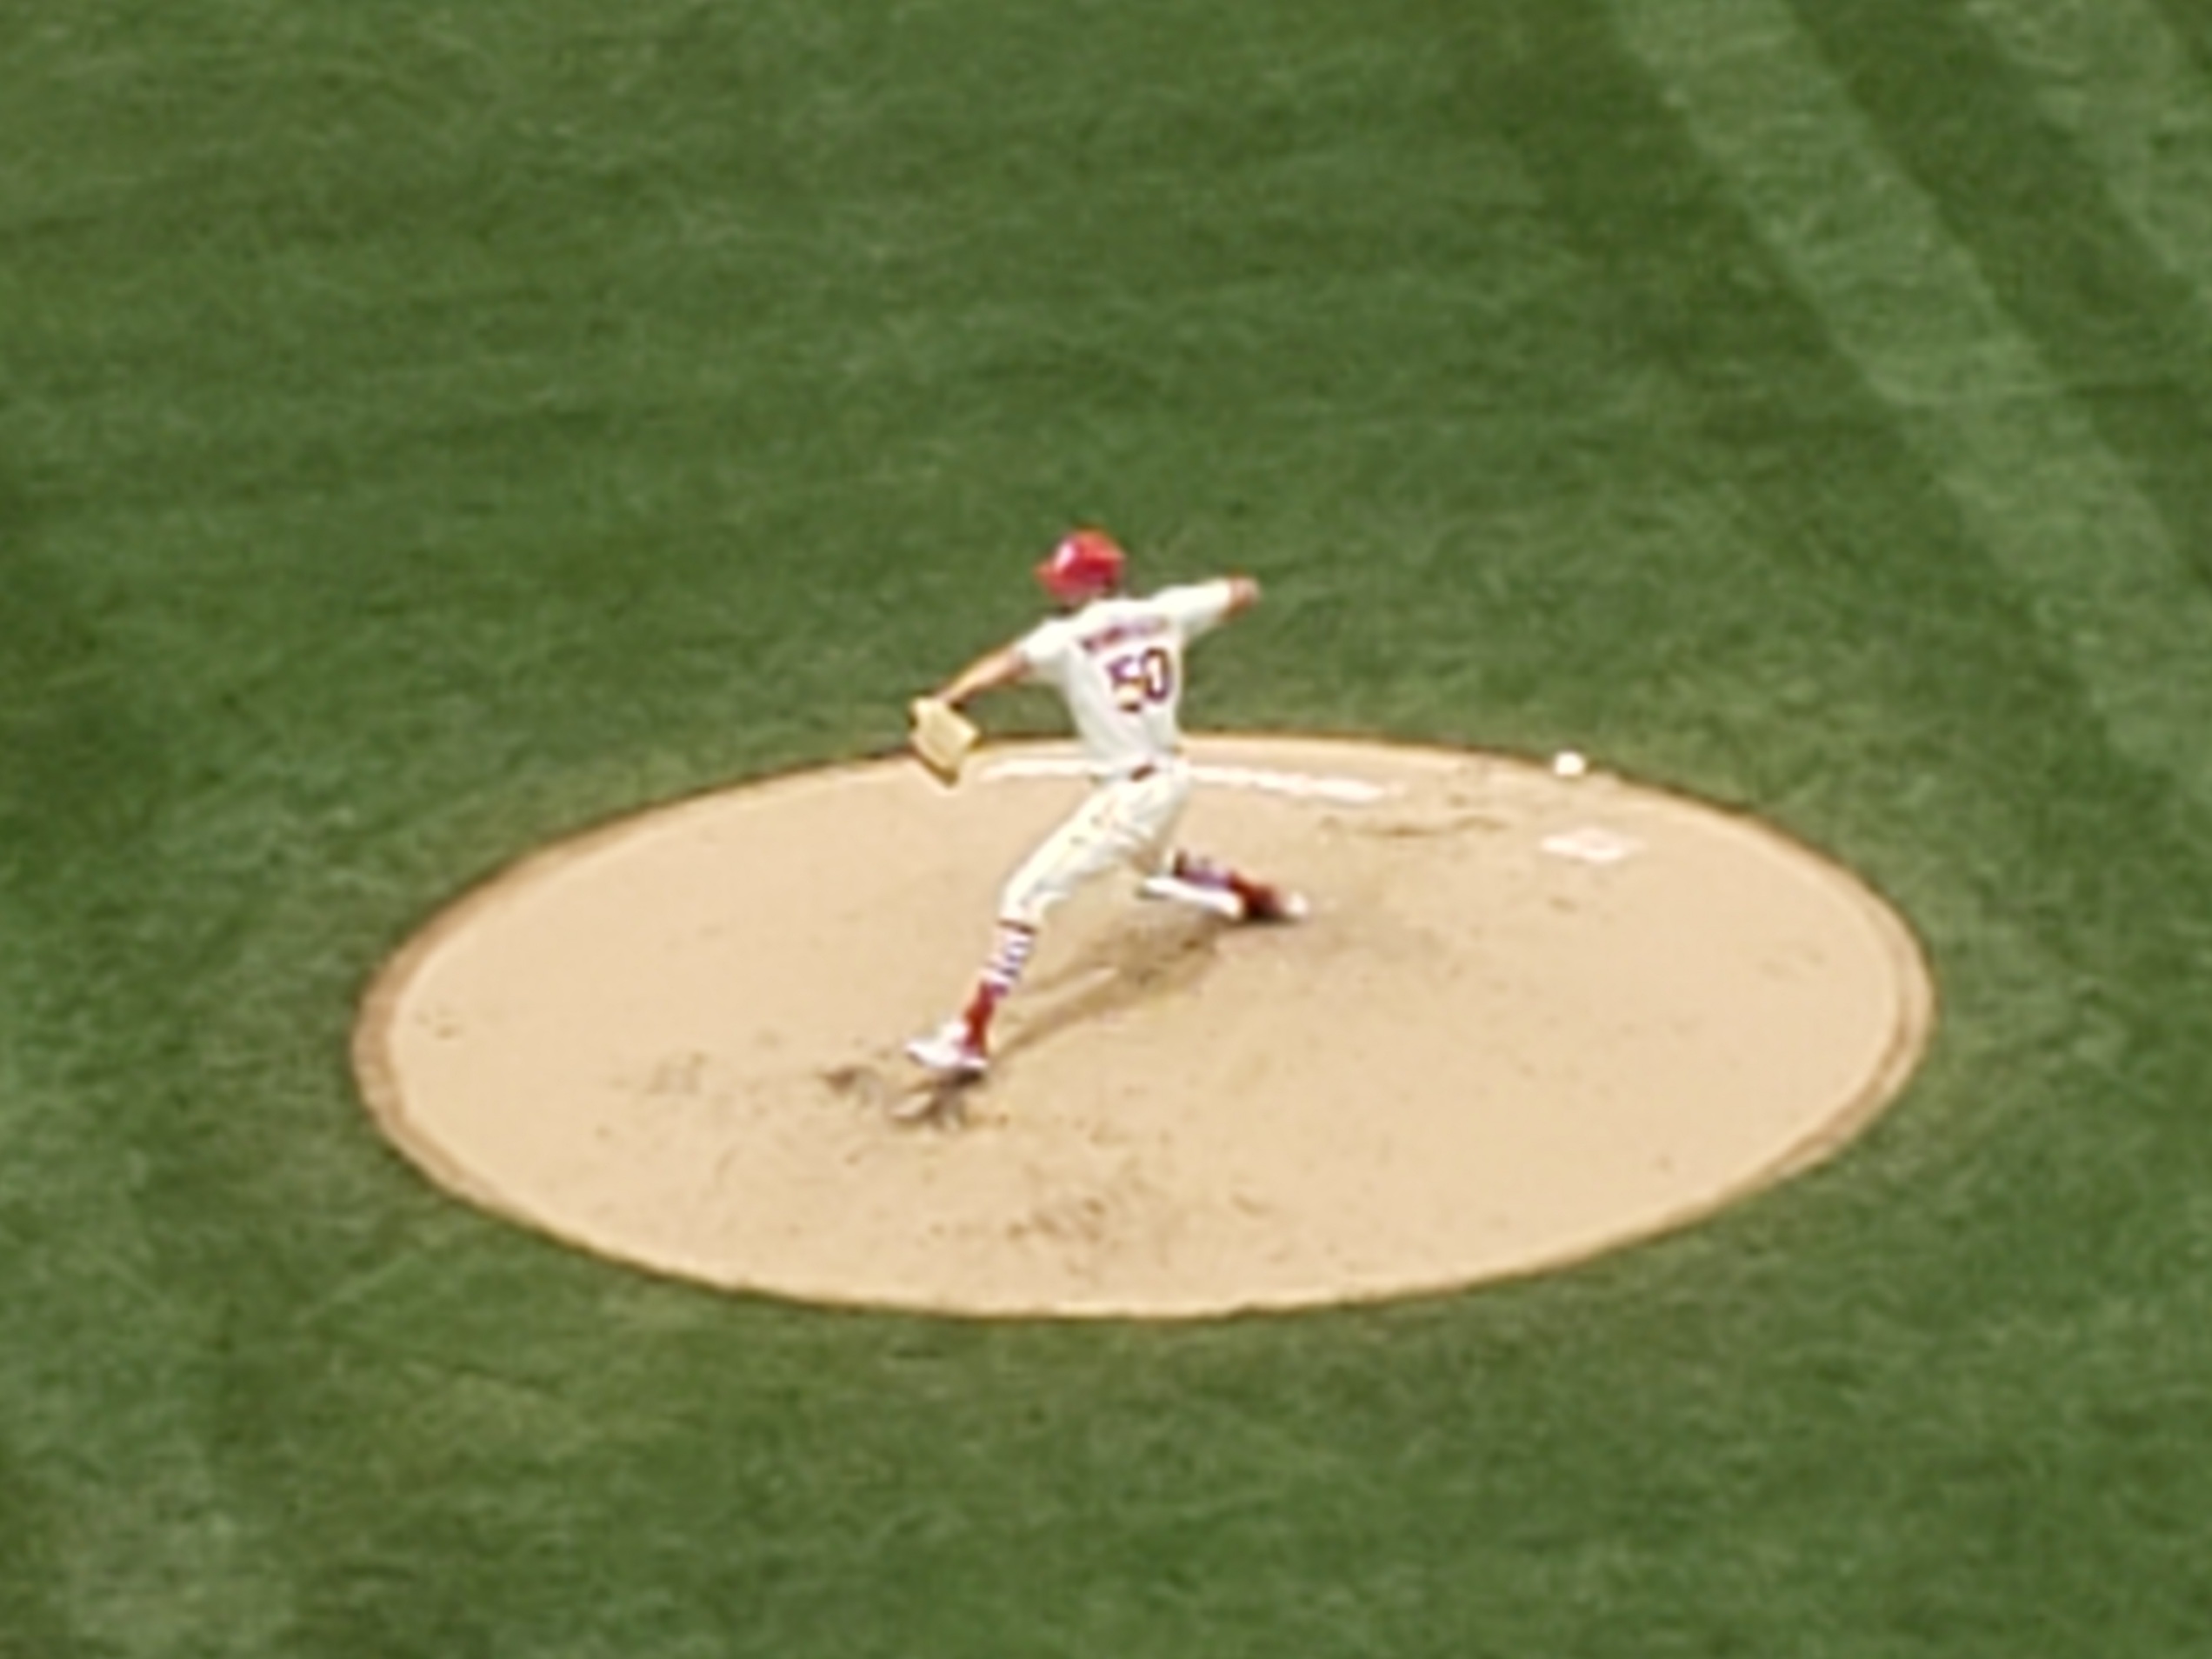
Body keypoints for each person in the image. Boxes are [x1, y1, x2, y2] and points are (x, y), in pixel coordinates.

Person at [904, 528, 1305, 1079]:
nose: (1056, 588)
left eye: (1065, 579)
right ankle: (1257, 897)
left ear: (1088, 585)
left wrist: (949, 697)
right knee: (1155, 865)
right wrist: (1185, 617)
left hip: (1128, 796)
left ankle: (970, 1035)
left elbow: (1005, 664)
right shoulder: (1167, 613)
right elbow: (1243, 591)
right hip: (1171, 781)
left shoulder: (1066, 640)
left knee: (1025, 895)